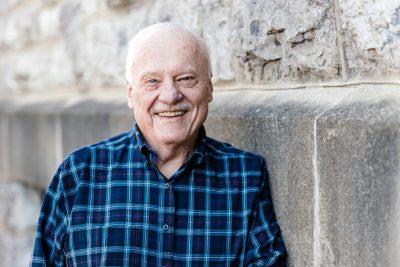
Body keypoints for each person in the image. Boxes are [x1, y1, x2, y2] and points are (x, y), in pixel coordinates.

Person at [31, 23, 287, 266]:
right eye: (152, 81)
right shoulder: (77, 174)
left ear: (209, 88)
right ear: (131, 93)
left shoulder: (246, 176)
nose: (170, 95)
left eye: (186, 78)